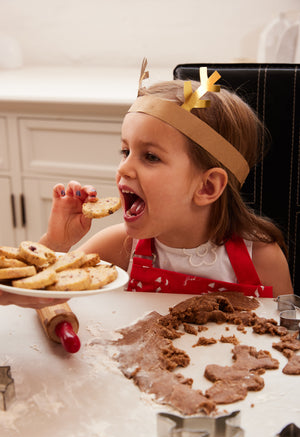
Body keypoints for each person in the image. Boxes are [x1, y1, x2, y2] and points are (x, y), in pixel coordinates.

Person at [39, 62, 293, 298]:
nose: (124, 168)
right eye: (125, 152)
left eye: (150, 156)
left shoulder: (262, 259)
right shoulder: (118, 247)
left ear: (207, 186)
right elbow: (42, 293)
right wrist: (57, 243)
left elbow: (287, 339)